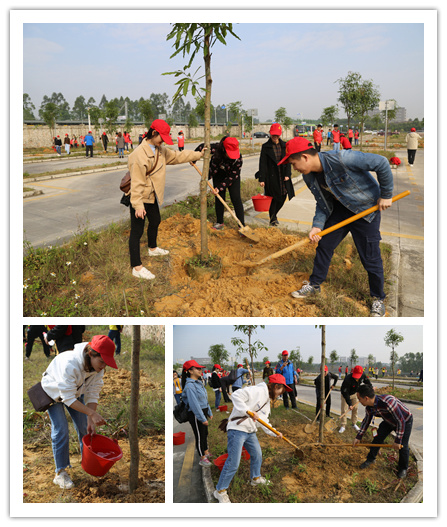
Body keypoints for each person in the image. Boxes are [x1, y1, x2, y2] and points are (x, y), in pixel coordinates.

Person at [279, 137, 394, 317]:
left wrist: (386, 194)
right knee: (324, 245)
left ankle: (378, 299)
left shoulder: (342, 158)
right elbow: (322, 203)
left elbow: (381, 162)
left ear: (305, 157)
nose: (294, 169)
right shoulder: (308, 176)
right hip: (341, 210)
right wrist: (317, 226)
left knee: (370, 257)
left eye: (294, 163)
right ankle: (314, 285)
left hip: (365, 210)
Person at [127, 119, 205, 280]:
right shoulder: (139, 155)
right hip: (140, 197)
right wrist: (138, 205)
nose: (163, 141)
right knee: (137, 231)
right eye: (161, 137)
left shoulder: (160, 150)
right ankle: (137, 267)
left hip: (151, 195)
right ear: (153, 133)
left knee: (155, 220)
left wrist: (199, 154)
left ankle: (152, 248)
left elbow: (177, 156)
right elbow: (136, 183)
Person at [41, 335, 117, 489]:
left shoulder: (97, 368)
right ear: (90, 354)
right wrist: (91, 413)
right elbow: (67, 398)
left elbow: (93, 392)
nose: (103, 366)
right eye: (101, 361)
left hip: (74, 391)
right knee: (61, 429)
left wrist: (90, 418)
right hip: (54, 391)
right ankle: (60, 473)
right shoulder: (70, 364)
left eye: (106, 363)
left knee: (85, 428)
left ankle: (89, 463)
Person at [213, 374, 289, 503]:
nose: (280, 394)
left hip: (250, 431)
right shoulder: (257, 390)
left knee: (257, 454)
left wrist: (275, 432)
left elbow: (263, 420)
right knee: (233, 463)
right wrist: (247, 410)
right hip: (237, 429)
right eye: (281, 391)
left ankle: (255, 478)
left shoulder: (266, 401)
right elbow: (236, 395)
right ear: (276, 387)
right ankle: (220, 490)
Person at [354, 384, 413, 479]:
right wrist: (359, 437)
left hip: (405, 420)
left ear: (366, 398)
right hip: (388, 420)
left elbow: (400, 421)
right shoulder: (369, 407)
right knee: (378, 438)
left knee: (403, 445)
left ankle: (403, 468)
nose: (359, 401)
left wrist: (398, 440)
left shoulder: (388, 402)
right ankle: (370, 459)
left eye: (359, 399)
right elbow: (366, 421)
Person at [196, 137, 244, 231]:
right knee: (219, 197)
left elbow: (233, 177)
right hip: (218, 174)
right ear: (223, 149)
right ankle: (219, 222)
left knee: (236, 199)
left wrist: (221, 186)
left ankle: (241, 225)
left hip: (232, 177)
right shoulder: (216, 148)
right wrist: (193, 158)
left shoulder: (238, 159)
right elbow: (201, 147)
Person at [257, 123, 294, 227]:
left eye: (277, 135)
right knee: (273, 197)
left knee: (283, 197)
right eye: (273, 135)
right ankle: (273, 218)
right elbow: (262, 163)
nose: (275, 137)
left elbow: (288, 160)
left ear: (280, 135)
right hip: (271, 176)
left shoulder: (285, 145)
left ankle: (274, 214)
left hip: (283, 175)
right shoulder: (266, 147)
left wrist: (288, 174)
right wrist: (262, 179)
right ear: (270, 134)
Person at [181, 360, 213, 468]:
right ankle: (202, 458)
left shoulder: (199, 383)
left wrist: (209, 411)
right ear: (190, 371)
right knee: (199, 436)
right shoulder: (190, 386)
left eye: (201, 368)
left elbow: (204, 399)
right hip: (195, 414)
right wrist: (202, 418)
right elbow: (194, 405)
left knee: (205, 433)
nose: (201, 370)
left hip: (202, 411)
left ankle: (206, 452)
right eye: (197, 368)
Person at [339, 365, 372, 434]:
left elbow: (367, 382)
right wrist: (350, 404)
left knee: (355, 408)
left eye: (358, 376)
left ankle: (354, 423)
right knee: (344, 409)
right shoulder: (347, 379)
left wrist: (370, 389)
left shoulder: (363, 375)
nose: (357, 378)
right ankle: (343, 425)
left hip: (354, 394)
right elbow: (345, 392)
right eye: (355, 376)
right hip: (346, 394)